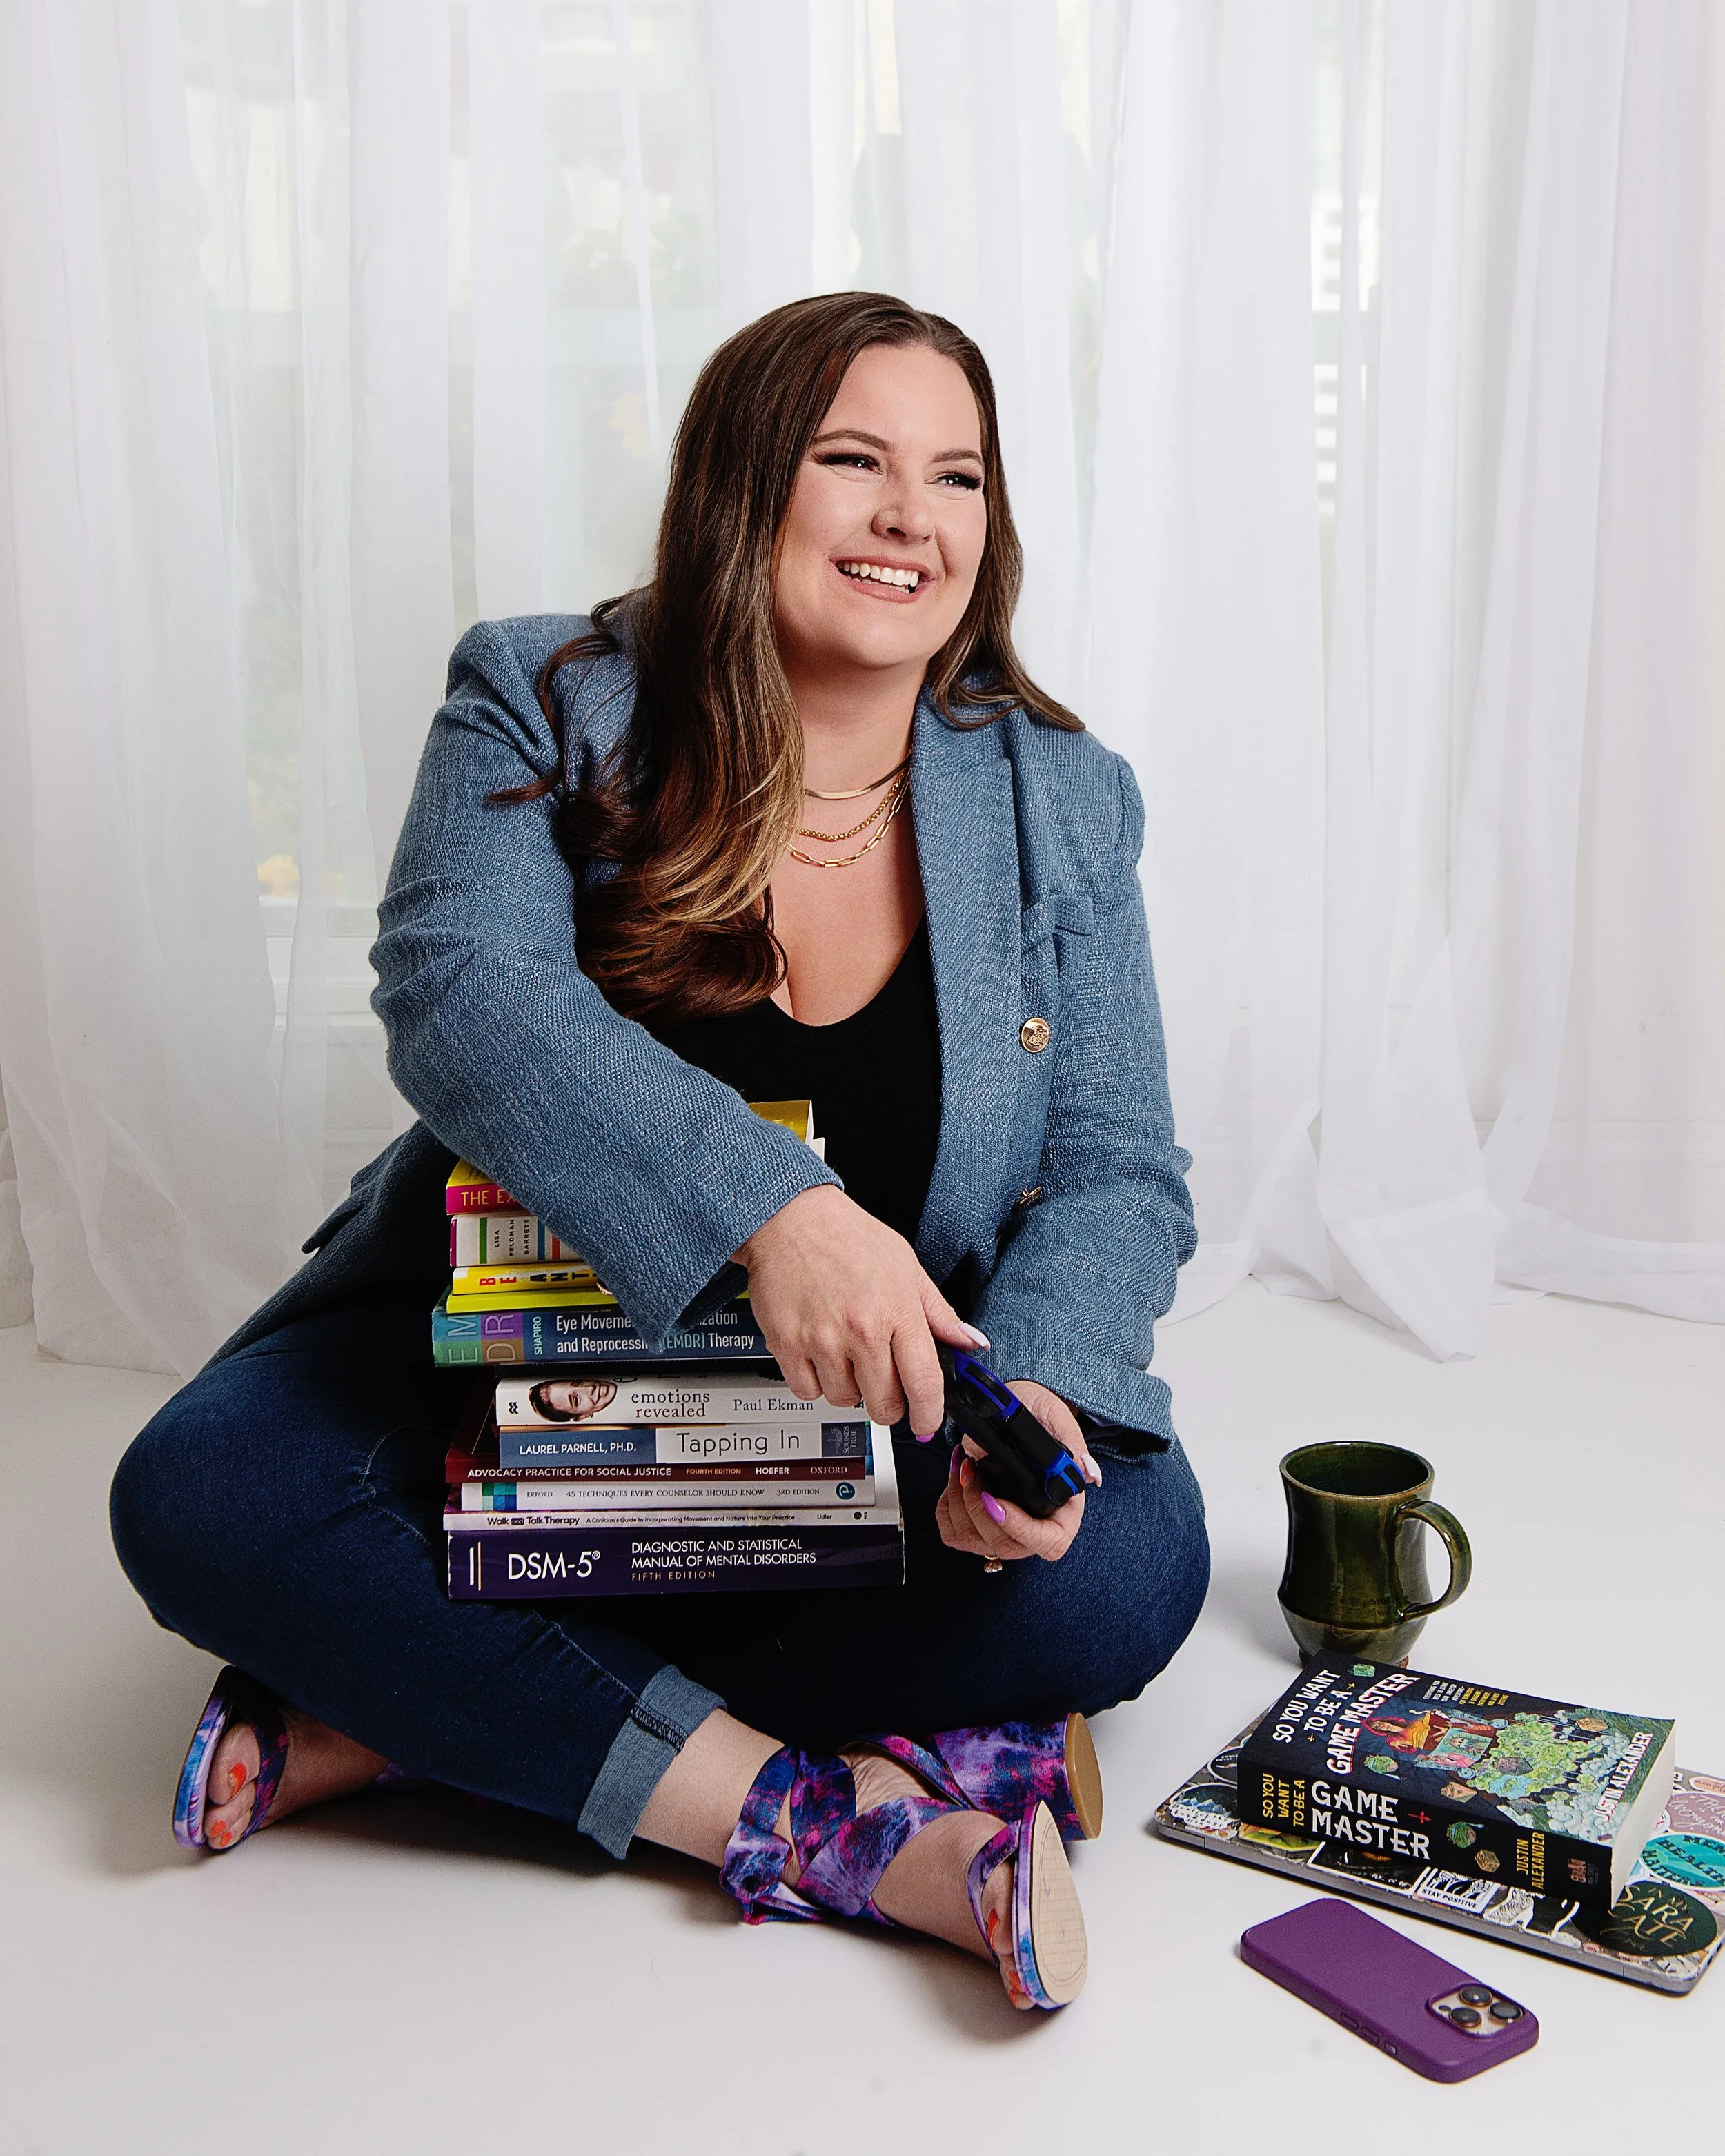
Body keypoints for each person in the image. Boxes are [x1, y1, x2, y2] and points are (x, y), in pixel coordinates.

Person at [110, 292, 1208, 2010]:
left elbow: (1119, 1158)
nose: (910, 517)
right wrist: (776, 1209)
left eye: (957, 476)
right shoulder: (542, 690)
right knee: (204, 1495)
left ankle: (433, 1709)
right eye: (852, 461)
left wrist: (1050, 1396)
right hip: (500, 1361)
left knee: (1131, 1566)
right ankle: (810, 1811)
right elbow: (453, 984)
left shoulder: (1064, 793)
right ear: (738, 481)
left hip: (851, 1423)